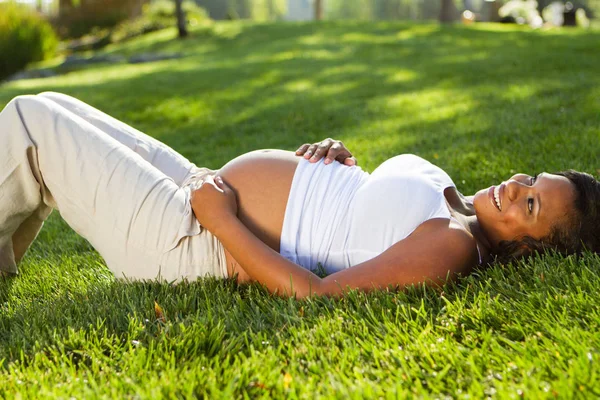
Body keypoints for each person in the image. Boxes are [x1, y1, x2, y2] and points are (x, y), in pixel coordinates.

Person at [1, 93, 599, 298]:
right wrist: (332, 164)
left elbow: (314, 294)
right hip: (204, 194)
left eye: (531, 206)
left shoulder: (452, 248)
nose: (518, 186)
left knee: (29, 124)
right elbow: (356, 219)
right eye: (532, 179)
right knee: (56, 109)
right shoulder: (455, 207)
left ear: (526, 251)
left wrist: (221, 217)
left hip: (194, 238)